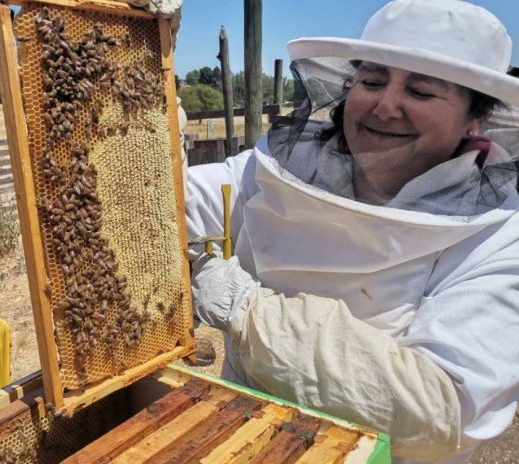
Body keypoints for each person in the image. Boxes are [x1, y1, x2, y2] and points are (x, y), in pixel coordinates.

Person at [185, 1, 519, 463]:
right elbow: (160, 202)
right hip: (242, 432)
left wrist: (247, 311)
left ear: (474, 119)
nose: (385, 105)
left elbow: (442, 409)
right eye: (372, 80)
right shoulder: (275, 169)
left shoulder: (500, 239)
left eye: (421, 92)